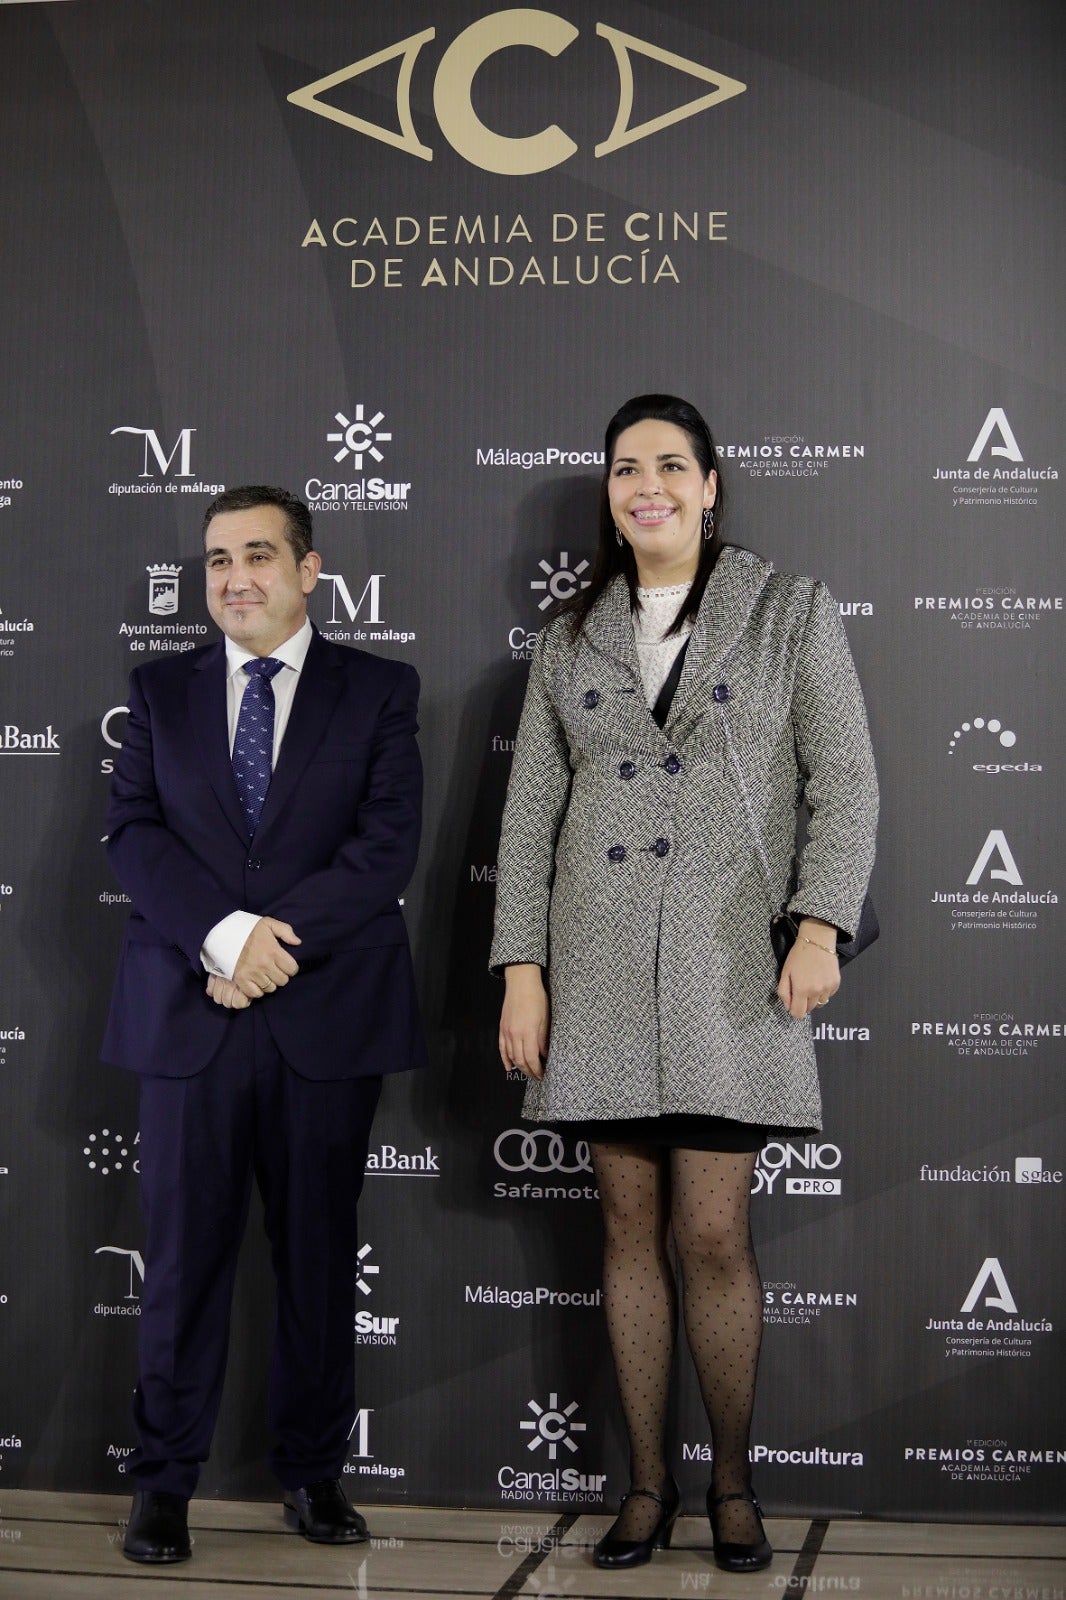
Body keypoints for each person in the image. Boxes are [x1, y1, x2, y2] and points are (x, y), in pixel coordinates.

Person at [491, 396, 877, 1573]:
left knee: (712, 1233)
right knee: (624, 1228)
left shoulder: (788, 610)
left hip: (726, 967)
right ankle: (647, 1486)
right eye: (623, 469)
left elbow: (846, 783)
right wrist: (521, 971)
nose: (644, 485)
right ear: (606, 495)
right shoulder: (569, 638)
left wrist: (818, 925)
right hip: (596, 965)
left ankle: (733, 1482)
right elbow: (527, 824)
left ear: (712, 484)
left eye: (669, 465)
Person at [102, 485, 425, 1564]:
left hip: (323, 1014)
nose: (234, 577)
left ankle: (314, 1474)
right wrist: (225, 936)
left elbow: (385, 849)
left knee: (318, 1259)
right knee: (183, 1260)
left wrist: (268, 943)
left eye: (256, 555)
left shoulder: (379, 688)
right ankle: (162, 1485)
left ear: (308, 568)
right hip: (190, 1014)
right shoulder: (157, 690)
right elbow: (134, 839)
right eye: (216, 560)